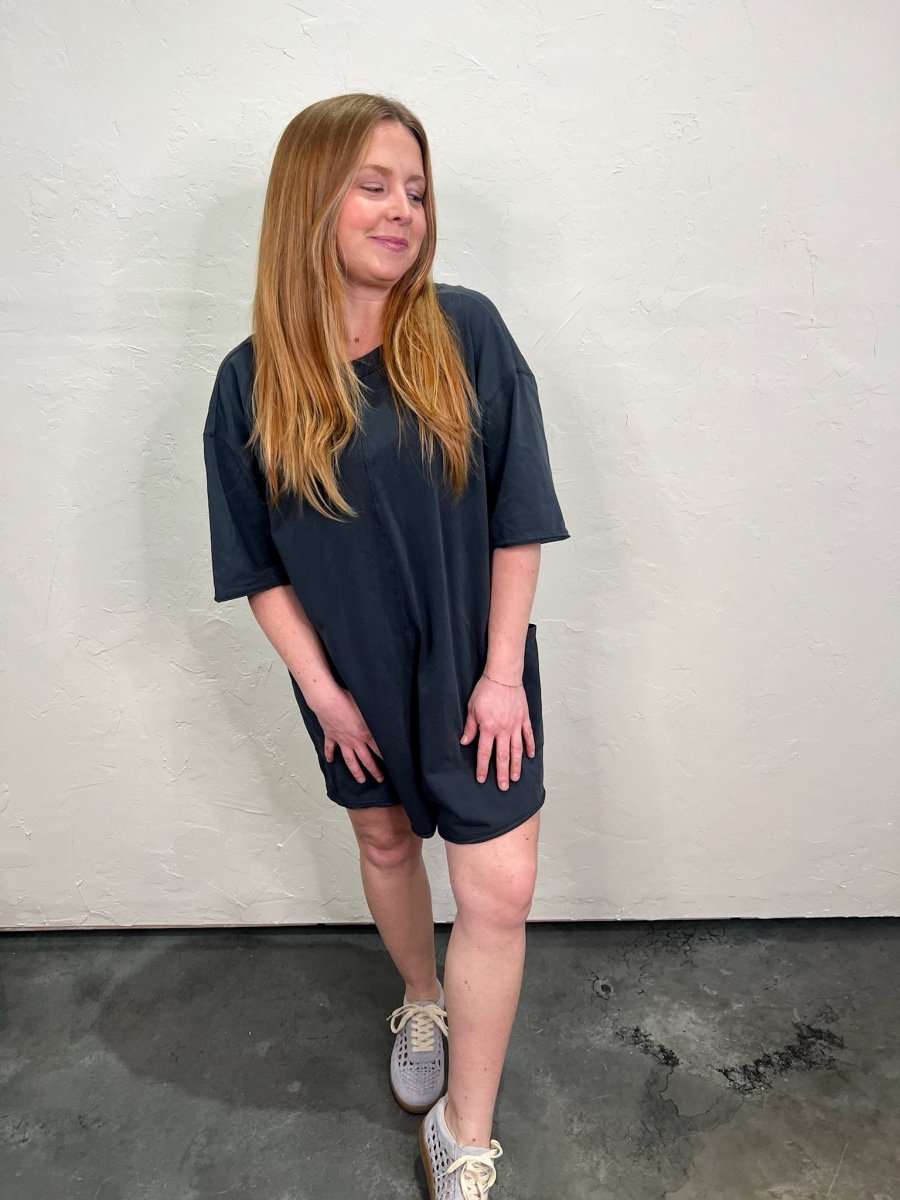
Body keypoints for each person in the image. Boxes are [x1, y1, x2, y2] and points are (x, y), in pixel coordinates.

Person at [202, 92, 570, 1199]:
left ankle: (466, 1132)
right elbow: (256, 566)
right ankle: (421, 998)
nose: (402, 208)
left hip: (475, 670)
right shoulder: (250, 381)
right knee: (384, 843)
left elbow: (517, 516)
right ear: (309, 202)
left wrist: (500, 675)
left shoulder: (467, 332)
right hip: (349, 679)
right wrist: (325, 695)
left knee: (499, 890)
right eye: (373, 185)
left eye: (415, 189)